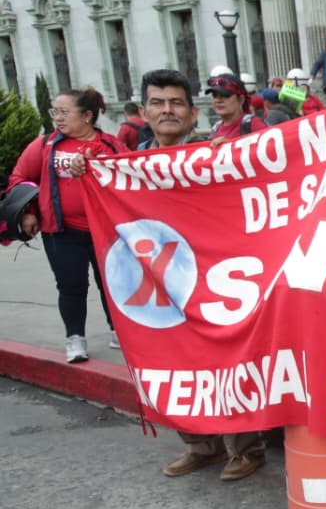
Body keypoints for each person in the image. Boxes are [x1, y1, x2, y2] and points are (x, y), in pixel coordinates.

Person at [132, 68, 267, 482]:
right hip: (161, 281)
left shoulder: (213, 158)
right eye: (157, 103)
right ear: (144, 112)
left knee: (226, 361)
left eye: (176, 103)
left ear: (193, 114)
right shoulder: (128, 164)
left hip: (214, 276)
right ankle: (201, 446)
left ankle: (247, 449)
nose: (167, 111)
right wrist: (85, 170)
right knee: (173, 359)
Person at [7, 87, 126, 362]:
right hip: (62, 232)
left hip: (106, 231)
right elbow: (19, 178)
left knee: (113, 284)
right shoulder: (45, 145)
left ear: (86, 116)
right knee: (71, 286)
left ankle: (118, 331)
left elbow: (133, 176)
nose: (57, 118)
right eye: (55, 112)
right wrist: (28, 212)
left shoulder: (111, 146)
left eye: (63, 112)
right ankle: (75, 338)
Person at [205, 74, 268, 147]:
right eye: (215, 96)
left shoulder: (253, 124)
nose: (218, 100)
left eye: (225, 95)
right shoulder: (215, 129)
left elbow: (269, 149)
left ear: (241, 99)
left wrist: (232, 146)